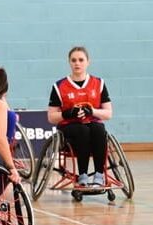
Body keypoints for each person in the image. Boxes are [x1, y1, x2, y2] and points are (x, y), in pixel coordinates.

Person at [47, 46, 112, 188]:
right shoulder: (59, 86)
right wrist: (67, 113)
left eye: (81, 60)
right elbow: (51, 117)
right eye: (74, 60)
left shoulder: (99, 83)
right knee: (82, 130)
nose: (77, 63)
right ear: (69, 62)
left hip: (92, 123)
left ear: (88, 62)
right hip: (69, 127)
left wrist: (92, 111)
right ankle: (82, 175)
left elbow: (108, 113)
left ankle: (99, 175)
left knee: (99, 130)